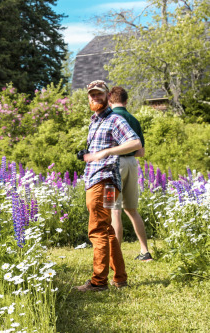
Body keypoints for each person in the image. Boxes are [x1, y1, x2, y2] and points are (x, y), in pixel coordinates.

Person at [74, 80, 142, 292]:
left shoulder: (114, 119)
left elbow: (135, 143)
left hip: (103, 181)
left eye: (99, 94)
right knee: (108, 229)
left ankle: (98, 281)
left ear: (107, 96)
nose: (95, 98)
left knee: (97, 230)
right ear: (89, 97)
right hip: (103, 180)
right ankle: (120, 278)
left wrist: (107, 152)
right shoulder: (94, 121)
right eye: (92, 95)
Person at [109, 87, 153, 261]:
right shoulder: (134, 120)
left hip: (113, 165)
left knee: (114, 211)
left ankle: (116, 256)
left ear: (110, 101)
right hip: (131, 165)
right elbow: (140, 152)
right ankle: (145, 251)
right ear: (126, 101)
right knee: (132, 210)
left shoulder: (109, 118)